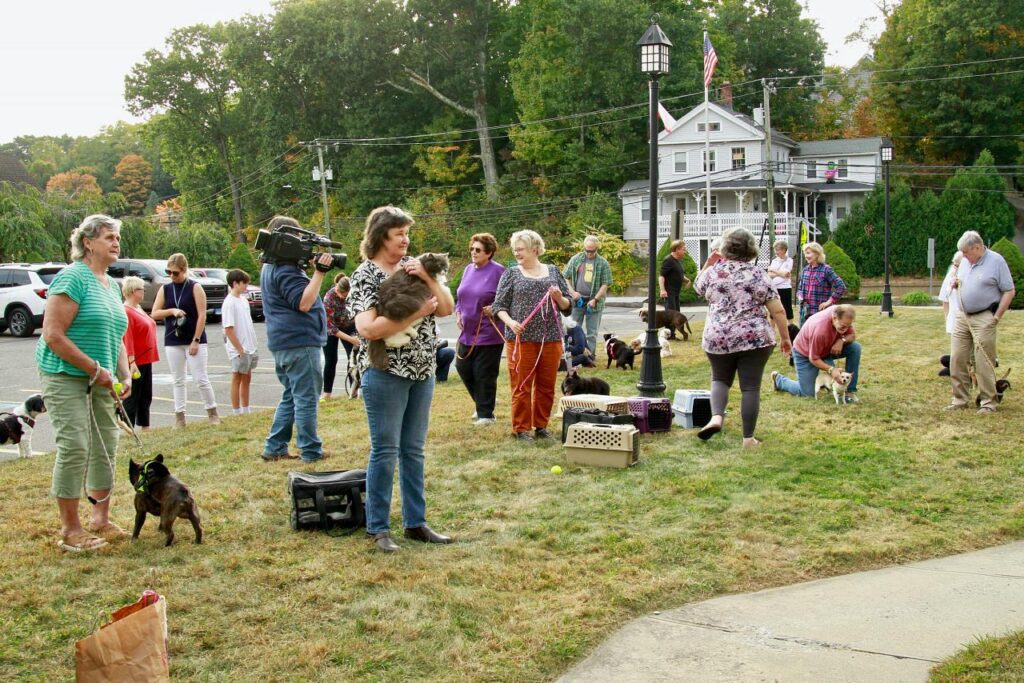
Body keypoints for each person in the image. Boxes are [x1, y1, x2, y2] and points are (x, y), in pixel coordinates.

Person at [350, 206, 455, 553]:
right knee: (385, 450)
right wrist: (417, 311)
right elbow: (368, 329)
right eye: (399, 234)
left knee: (413, 450)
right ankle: (378, 528)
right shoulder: (365, 275)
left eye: (407, 233)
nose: (406, 240)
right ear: (381, 236)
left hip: (422, 370)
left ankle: (416, 523)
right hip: (386, 372)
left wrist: (427, 278)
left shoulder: (414, 267)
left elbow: (446, 308)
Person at [38, 214, 131, 552]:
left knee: (106, 445)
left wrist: (124, 373)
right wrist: (94, 369)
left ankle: (100, 519)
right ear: (88, 243)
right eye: (109, 237)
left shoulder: (112, 284)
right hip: (65, 375)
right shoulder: (72, 278)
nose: (116, 242)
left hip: (101, 380)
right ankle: (70, 529)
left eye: (117, 237)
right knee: (76, 445)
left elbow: (115, 335)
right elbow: (53, 335)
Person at [694, 227, 792, 447]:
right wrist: (786, 339)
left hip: (717, 336)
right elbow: (778, 311)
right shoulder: (758, 274)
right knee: (750, 387)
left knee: (719, 379)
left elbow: (698, 287)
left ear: (724, 247)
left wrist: (709, 262)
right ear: (751, 249)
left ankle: (716, 417)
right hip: (754, 338)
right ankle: (748, 439)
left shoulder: (712, 273)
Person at [260, 216, 333, 462]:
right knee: (306, 398)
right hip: (299, 342)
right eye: (298, 237)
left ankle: (275, 447)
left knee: (292, 395)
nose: (301, 243)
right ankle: (310, 450)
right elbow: (303, 302)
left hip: (283, 342)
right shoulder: (286, 270)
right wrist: (319, 273)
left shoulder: (270, 266)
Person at [492, 230, 572, 442]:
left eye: (520, 249)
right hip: (521, 339)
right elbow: (498, 306)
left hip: (550, 339)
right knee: (521, 384)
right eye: (514, 249)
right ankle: (521, 428)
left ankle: (541, 426)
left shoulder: (553, 271)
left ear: (535, 249)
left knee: (546, 385)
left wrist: (559, 298)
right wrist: (511, 322)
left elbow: (567, 306)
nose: (516, 253)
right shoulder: (511, 274)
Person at [946, 231, 1015, 413]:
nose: (963, 256)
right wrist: (956, 283)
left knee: (983, 360)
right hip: (963, 316)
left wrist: (996, 317)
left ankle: (988, 402)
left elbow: (1009, 291)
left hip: (984, 316)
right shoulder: (965, 261)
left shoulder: (997, 262)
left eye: (966, 252)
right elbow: (962, 279)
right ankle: (959, 399)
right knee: (957, 357)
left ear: (977, 248)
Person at [151, 253, 220, 427]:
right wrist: (172, 311)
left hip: (193, 338)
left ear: (184, 270)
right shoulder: (165, 289)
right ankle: (180, 417)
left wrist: (196, 339)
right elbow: (155, 313)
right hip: (173, 339)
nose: (172, 276)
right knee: (178, 380)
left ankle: (212, 412)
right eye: (168, 272)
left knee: (200, 378)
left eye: (175, 273)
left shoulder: (195, 287)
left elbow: (202, 315)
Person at [454, 232, 506, 425]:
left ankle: (486, 415)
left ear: (489, 252)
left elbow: (509, 299)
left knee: (484, 374)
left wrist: (495, 308)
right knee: (463, 368)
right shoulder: (468, 269)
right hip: (467, 332)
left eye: (478, 250)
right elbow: (460, 297)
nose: (473, 252)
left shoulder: (499, 272)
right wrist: (458, 313)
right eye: (472, 249)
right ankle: (483, 404)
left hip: (489, 332)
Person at [771, 304, 862, 404]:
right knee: (807, 392)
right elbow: (814, 358)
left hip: (826, 348)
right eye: (843, 326)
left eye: (848, 326)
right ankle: (779, 380)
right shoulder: (821, 330)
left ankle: (849, 391)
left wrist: (841, 340)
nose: (845, 329)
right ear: (834, 318)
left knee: (855, 348)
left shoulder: (842, 314)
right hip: (805, 353)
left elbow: (852, 335)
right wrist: (831, 370)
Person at [120, 275, 159, 430]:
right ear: (131, 291)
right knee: (132, 396)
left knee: (145, 394)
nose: (143, 292)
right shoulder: (127, 311)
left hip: (146, 357)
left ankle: (145, 425)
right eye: (141, 289)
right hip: (136, 359)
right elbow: (127, 337)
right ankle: (127, 428)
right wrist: (131, 361)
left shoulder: (138, 308)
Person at [563, 235, 612, 354]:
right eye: (587, 250)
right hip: (577, 301)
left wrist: (595, 299)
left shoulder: (603, 263)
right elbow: (565, 277)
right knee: (572, 329)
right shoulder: (576, 259)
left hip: (594, 303)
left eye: (592, 251)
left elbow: (605, 284)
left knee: (592, 333)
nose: (589, 253)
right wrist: (572, 292)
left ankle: (590, 357)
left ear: (597, 248)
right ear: (584, 247)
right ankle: (573, 355)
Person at [222, 269, 259, 415]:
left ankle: (246, 408)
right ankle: (236, 410)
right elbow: (229, 329)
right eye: (244, 283)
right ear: (235, 283)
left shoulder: (243, 300)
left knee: (247, 376)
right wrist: (239, 348)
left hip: (249, 345)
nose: (246, 286)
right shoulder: (229, 302)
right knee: (237, 376)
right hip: (238, 348)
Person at [322, 274, 359, 400]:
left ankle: (354, 391)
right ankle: (327, 393)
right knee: (331, 360)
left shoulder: (354, 294)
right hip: (330, 329)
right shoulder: (329, 298)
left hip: (348, 325)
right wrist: (351, 339)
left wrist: (356, 335)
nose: (342, 296)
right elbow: (330, 327)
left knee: (353, 358)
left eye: (345, 295)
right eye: (340, 293)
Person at [795, 241, 846, 325]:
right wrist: (800, 297)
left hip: (820, 313)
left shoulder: (826, 270)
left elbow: (841, 286)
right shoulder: (805, 270)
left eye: (808, 253)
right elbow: (800, 289)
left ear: (817, 254)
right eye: (805, 253)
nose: (806, 256)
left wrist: (829, 302)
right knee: (804, 333)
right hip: (805, 313)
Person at [659, 240, 691, 335]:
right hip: (669, 293)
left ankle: (673, 334)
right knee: (670, 315)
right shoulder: (668, 260)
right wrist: (662, 290)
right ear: (677, 249)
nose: (685, 251)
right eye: (683, 249)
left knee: (676, 314)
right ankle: (670, 335)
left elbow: (679, 274)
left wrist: (687, 280)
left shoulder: (677, 261)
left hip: (676, 292)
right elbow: (661, 276)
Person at [767, 240, 794, 321]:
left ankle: (790, 327)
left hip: (785, 287)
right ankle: (772, 328)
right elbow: (769, 275)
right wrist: (780, 273)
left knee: (787, 309)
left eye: (778, 250)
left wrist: (773, 270)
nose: (776, 252)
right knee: (773, 310)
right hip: (774, 287)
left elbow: (786, 274)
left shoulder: (789, 260)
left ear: (784, 250)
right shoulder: (774, 261)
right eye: (775, 249)